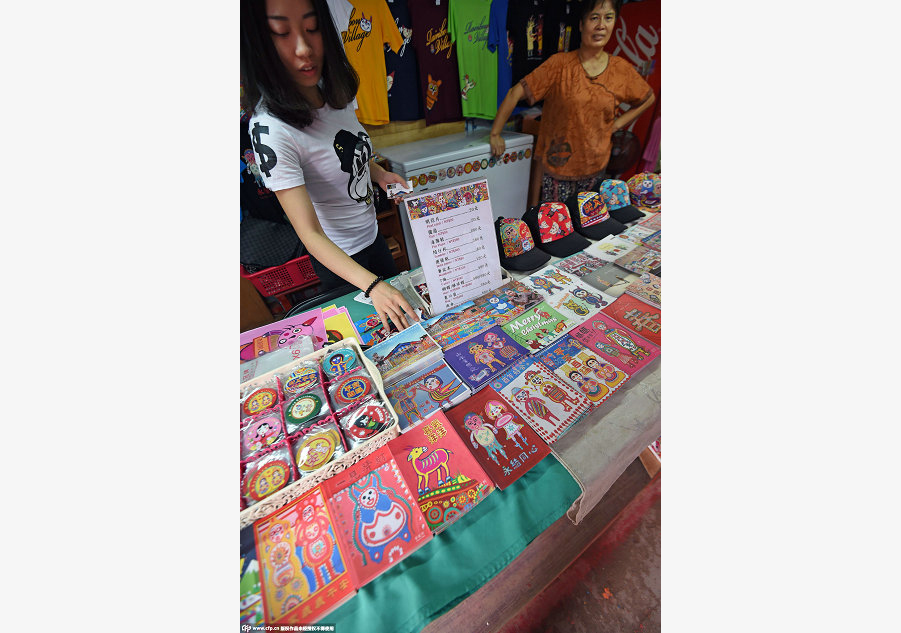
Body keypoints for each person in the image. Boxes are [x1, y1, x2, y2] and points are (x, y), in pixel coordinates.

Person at [240, 0, 419, 331]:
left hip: (373, 237)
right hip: (341, 261)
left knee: (408, 325)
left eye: (312, 28)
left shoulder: (332, 90)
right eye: (282, 33)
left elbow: (351, 153)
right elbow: (309, 233)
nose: (304, 49)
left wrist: (380, 174)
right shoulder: (271, 129)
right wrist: (372, 286)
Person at [488, 0, 656, 204]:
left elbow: (648, 98)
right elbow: (515, 93)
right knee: (558, 223)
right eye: (594, 18)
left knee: (589, 221)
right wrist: (495, 134)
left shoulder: (621, 70)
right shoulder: (559, 65)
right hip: (557, 171)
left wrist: (618, 124)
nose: (601, 25)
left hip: (596, 167)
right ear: (581, 25)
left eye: (608, 18)